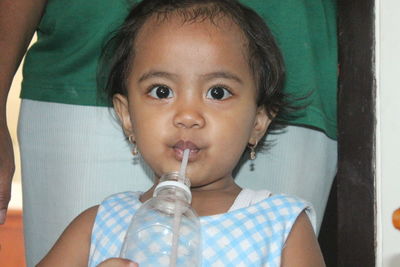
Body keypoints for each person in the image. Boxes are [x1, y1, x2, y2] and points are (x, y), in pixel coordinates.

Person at [0, 0, 336, 265]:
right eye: (162, 92)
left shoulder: (280, 226)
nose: (188, 116)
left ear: (258, 122)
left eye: (217, 93)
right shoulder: (96, 224)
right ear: (127, 116)